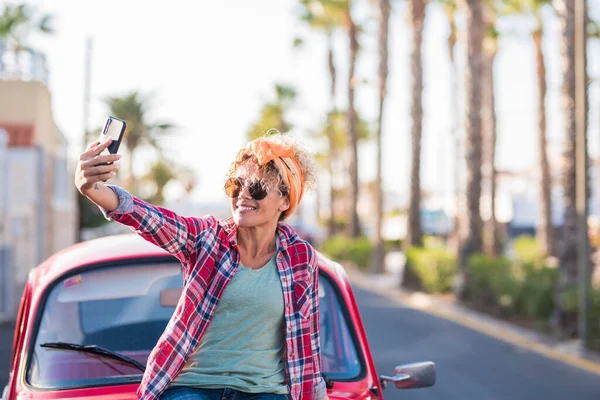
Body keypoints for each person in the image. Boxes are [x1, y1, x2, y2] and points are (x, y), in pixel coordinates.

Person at [74, 132, 328, 400]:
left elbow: (306, 339)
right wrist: (92, 188)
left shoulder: (300, 257)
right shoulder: (207, 238)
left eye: (256, 189)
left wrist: (318, 394)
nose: (242, 196)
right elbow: (151, 218)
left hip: (264, 391)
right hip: (193, 387)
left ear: (285, 201)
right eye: (235, 185)